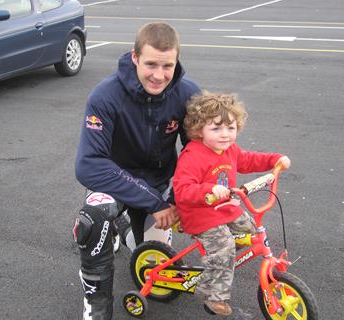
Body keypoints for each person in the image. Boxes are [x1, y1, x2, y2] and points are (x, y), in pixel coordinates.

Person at [74, 22, 200, 319]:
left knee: (155, 272)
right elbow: (88, 164)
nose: (159, 75)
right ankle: (97, 303)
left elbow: (200, 154)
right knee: (96, 216)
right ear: (135, 58)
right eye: (151, 64)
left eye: (167, 65)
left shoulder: (189, 93)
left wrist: (191, 195)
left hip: (160, 184)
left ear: (176, 61)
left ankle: (131, 227)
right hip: (114, 183)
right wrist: (155, 204)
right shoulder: (104, 95)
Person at [172, 91, 290, 316]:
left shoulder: (230, 150)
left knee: (251, 232)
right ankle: (213, 295)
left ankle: (216, 257)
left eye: (230, 128)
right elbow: (182, 189)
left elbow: (248, 160)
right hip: (200, 213)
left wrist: (275, 160)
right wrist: (209, 189)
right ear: (199, 130)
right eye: (216, 128)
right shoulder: (193, 156)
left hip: (225, 207)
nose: (225, 135)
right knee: (225, 246)